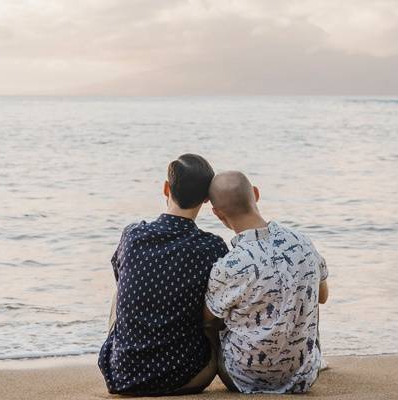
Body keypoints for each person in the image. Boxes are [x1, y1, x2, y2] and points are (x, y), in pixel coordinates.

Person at [98, 154, 229, 396]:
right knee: (216, 303)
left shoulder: (132, 235)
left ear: (166, 188)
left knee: (121, 290)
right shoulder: (213, 247)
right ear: (206, 199)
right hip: (184, 375)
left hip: (121, 375)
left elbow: (122, 280)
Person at [205, 171, 329, 394]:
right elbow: (323, 296)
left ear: (217, 214)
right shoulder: (302, 242)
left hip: (242, 379)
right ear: (256, 194)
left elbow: (208, 319)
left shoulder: (228, 266)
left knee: (218, 313)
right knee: (305, 292)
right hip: (304, 377)